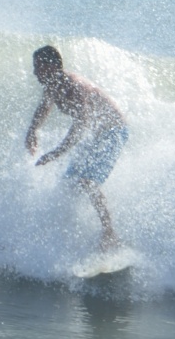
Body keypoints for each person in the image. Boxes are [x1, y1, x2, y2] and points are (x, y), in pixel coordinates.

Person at [24, 45, 129, 251]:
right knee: (69, 184)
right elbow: (44, 107)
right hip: (98, 134)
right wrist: (32, 130)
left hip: (114, 131)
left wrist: (56, 153)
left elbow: (82, 124)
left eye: (38, 67)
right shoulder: (53, 86)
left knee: (86, 181)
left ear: (51, 66)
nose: (35, 72)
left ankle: (110, 234)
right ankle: (70, 237)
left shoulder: (75, 86)